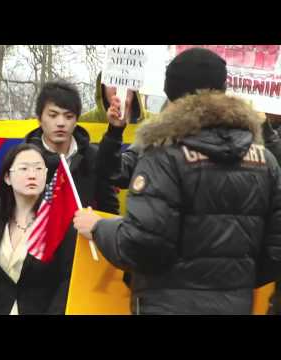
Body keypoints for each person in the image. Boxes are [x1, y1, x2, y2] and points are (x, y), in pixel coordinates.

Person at [74, 47, 281, 315]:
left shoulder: (163, 156)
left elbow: (141, 247)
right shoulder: (265, 160)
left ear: (171, 95)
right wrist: (231, 283)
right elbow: (275, 253)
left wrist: (99, 228)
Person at [0, 143, 74, 314]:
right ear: (7, 177)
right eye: (24, 168)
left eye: (38, 168)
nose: (32, 175)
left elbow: (67, 281)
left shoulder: (59, 219)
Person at [25, 79, 119, 214]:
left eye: (68, 116)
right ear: (39, 119)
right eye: (53, 115)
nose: (61, 123)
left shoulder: (94, 158)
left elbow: (110, 212)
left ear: (76, 120)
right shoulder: (22, 158)